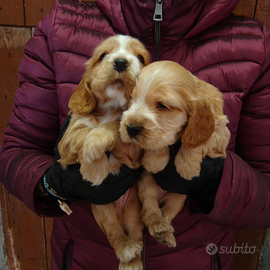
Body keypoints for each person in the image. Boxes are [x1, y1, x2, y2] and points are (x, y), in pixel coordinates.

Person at [0, 0, 270, 269]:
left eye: (140, 58)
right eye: (103, 56)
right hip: (86, 259)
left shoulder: (255, 44)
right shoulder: (62, 25)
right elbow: (16, 151)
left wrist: (215, 180)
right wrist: (54, 183)